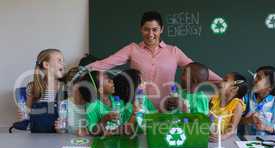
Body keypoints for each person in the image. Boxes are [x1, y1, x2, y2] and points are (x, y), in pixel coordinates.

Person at [88, 11, 221, 109]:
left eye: (155, 29)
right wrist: (81, 71)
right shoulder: (132, 49)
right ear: (141, 29)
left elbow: (198, 70)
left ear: (161, 29)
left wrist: (222, 81)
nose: (150, 34)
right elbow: (107, 63)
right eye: (146, 29)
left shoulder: (173, 51)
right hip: (140, 108)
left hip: (169, 109)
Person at [209, 72, 248, 142]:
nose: (220, 81)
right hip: (209, 137)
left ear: (235, 88)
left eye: (225, 80)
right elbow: (207, 116)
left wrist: (222, 137)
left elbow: (232, 129)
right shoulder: (214, 99)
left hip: (224, 141)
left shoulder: (237, 104)